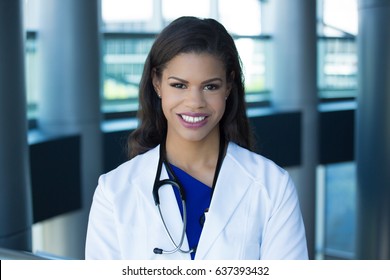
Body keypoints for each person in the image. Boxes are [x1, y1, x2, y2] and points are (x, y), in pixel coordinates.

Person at [85, 16, 308, 260]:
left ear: (229, 87)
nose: (195, 103)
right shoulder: (114, 191)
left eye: (210, 86)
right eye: (179, 85)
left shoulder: (273, 187)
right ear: (157, 83)